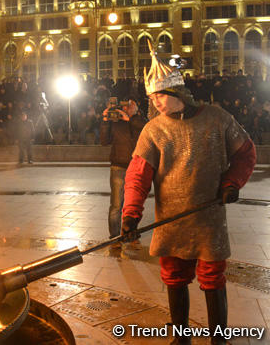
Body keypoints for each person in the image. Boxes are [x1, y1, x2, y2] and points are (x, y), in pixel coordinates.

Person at [120, 43, 256, 345]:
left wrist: (231, 183)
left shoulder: (217, 119)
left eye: (159, 95)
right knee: (174, 277)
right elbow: (137, 175)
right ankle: (182, 338)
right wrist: (130, 214)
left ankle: (218, 339)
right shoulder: (153, 130)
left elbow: (246, 153)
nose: (154, 101)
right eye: (151, 96)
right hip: (172, 218)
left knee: (212, 277)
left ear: (177, 92)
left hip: (209, 217)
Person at [100, 97, 146, 249]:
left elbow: (139, 140)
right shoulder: (116, 122)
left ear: (136, 108)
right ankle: (114, 238)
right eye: (124, 106)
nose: (126, 108)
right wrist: (106, 120)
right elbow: (104, 141)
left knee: (133, 204)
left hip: (135, 166)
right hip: (118, 167)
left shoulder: (140, 121)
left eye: (130, 106)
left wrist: (129, 120)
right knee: (116, 205)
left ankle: (131, 234)